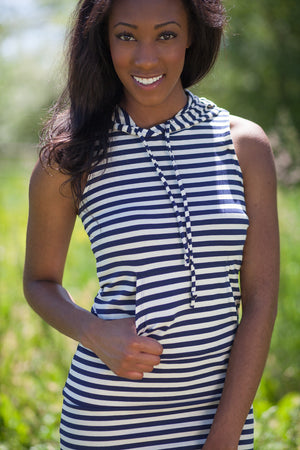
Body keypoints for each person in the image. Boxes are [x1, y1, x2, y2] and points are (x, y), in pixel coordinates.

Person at [23, 0, 279, 448]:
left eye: (166, 35)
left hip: (220, 420)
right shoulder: (70, 156)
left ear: (192, 35)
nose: (145, 58)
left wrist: (224, 437)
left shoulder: (244, 145)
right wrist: (92, 331)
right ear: (103, 39)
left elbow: (259, 299)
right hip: (107, 422)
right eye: (126, 36)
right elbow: (39, 282)